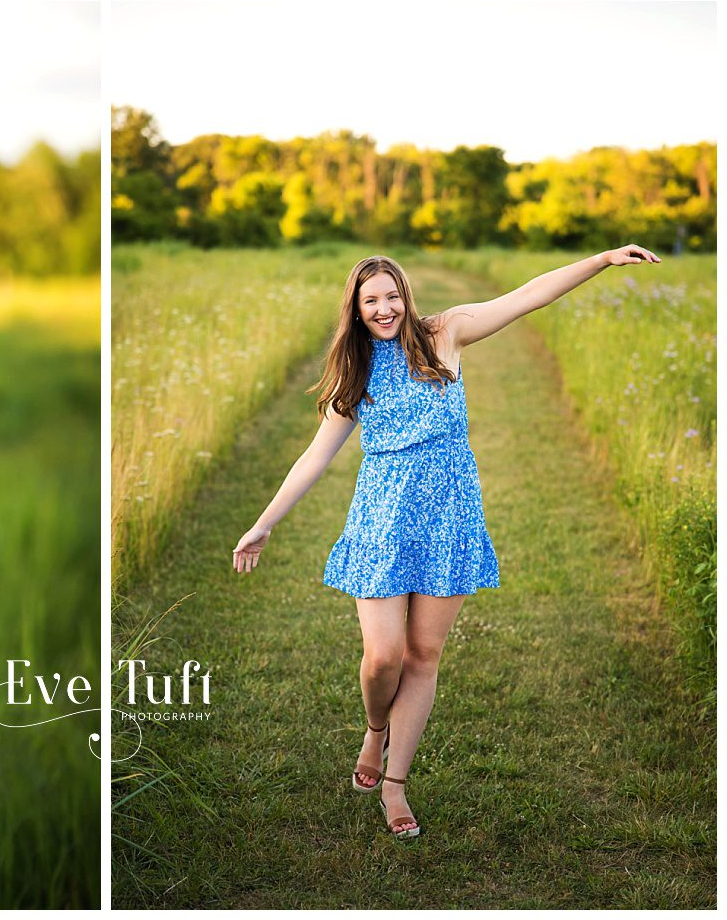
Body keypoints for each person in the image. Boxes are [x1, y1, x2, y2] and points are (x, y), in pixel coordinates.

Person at [229, 245, 660, 839]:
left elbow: (527, 297)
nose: (384, 309)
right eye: (370, 300)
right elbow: (314, 458)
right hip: (383, 518)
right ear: (354, 311)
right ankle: (375, 729)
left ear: (406, 295)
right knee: (382, 657)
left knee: (422, 656)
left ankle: (396, 785)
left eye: (391, 296)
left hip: (449, 517)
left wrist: (602, 260)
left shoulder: (444, 336)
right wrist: (265, 521)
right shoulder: (354, 374)